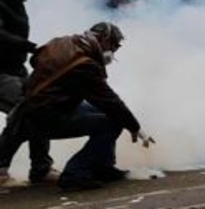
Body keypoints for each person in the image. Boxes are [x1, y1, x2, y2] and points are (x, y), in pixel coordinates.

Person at [0, 22, 154, 191]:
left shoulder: (61, 42)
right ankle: (75, 173)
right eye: (113, 46)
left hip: (34, 107)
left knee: (105, 113)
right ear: (103, 40)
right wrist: (135, 128)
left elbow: (35, 59)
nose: (112, 53)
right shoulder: (85, 65)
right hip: (46, 116)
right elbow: (109, 101)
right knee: (113, 122)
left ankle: (103, 166)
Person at [0, 0, 54, 185]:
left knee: (37, 107)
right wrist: (28, 46)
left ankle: (40, 168)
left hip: (15, 68)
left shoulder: (14, 1)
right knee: (28, 112)